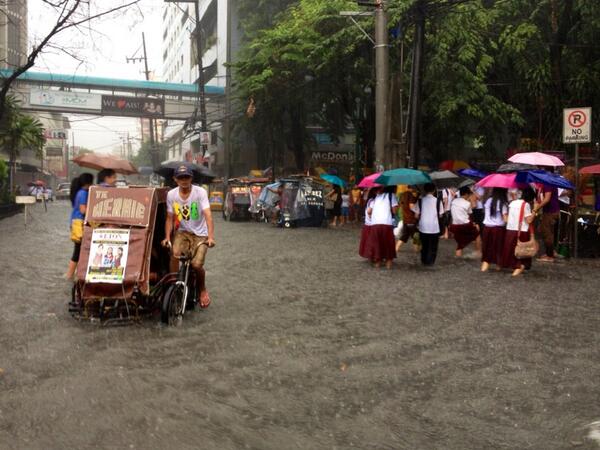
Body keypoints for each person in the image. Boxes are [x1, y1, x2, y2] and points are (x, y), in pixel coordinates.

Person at [162, 165, 215, 308]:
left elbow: (208, 215)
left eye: (186, 177)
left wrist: (210, 237)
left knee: (197, 265)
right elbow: (169, 218)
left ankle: (202, 289)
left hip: (201, 234)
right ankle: (172, 286)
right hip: (183, 232)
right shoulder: (171, 194)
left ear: (191, 178)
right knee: (174, 254)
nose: (184, 180)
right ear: (175, 179)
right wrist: (167, 237)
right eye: (180, 177)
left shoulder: (200, 192)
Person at [500, 187, 536, 276]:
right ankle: (518, 268)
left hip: (510, 230)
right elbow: (528, 220)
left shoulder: (512, 203)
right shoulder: (526, 205)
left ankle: (513, 267)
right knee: (522, 252)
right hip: (521, 231)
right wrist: (534, 211)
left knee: (512, 251)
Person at [64, 173, 94, 279]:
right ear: (89, 183)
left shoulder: (79, 192)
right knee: (78, 251)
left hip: (75, 223)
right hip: (79, 224)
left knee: (79, 250)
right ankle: (69, 275)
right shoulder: (83, 193)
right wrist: (93, 212)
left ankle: (73, 274)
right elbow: (83, 210)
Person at [366, 186, 398, 269]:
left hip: (375, 223)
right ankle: (388, 264)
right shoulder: (392, 196)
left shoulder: (376, 197)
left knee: (377, 244)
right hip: (386, 223)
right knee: (388, 244)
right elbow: (394, 211)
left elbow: (369, 211)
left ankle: (378, 263)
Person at [413, 183, 443, 266]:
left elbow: (416, 215)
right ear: (434, 190)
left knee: (424, 246)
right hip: (434, 227)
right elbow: (440, 215)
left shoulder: (420, 201)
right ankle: (431, 263)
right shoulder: (438, 201)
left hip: (423, 227)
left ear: (425, 190)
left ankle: (424, 261)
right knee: (433, 246)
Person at [480, 187, 508, 272]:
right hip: (498, 229)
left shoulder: (488, 200)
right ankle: (498, 266)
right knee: (498, 248)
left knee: (487, 247)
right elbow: (505, 219)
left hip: (487, 228)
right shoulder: (502, 203)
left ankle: (484, 267)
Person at [449, 186, 481, 257]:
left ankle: (458, 258)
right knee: (477, 234)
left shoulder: (454, 201)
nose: (469, 196)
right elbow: (470, 215)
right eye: (469, 194)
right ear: (466, 194)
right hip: (465, 225)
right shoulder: (467, 203)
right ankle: (478, 252)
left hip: (454, 226)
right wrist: (474, 224)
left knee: (460, 244)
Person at [533, 183, 559, 262]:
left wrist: (537, 207)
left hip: (550, 212)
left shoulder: (547, 184)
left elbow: (547, 199)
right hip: (551, 211)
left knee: (547, 233)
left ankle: (549, 256)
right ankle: (551, 252)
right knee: (547, 231)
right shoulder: (549, 183)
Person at [396, 186, 419, 253]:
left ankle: (396, 248)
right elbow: (411, 206)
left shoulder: (402, 195)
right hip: (411, 218)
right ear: (413, 188)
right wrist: (416, 212)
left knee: (406, 235)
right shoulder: (410, 195)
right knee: (415, 235)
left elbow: (400, 205)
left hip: (405, 218)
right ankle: (416, 249)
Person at [358, 188, 377, 260]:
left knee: (368, 241)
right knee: (372, 242)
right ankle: (373, 255)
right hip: (372, 224)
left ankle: (370, 255)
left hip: (367, 224)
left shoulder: (369, 200)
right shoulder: (373, 201)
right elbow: (369, 212)